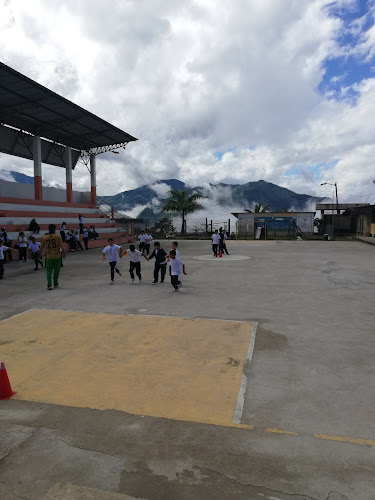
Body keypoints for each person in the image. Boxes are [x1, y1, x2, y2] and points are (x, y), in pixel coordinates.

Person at [39, 224, 65, 290]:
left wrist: (39, 254)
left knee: (48, 271)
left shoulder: (45, 237)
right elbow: (61, 246)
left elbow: (41, 247)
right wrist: (64, 253)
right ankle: (55, 283)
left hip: (49, 256)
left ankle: (49, 285)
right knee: (56, 270)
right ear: (55, 229)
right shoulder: (57, 236)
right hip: (57, 256)